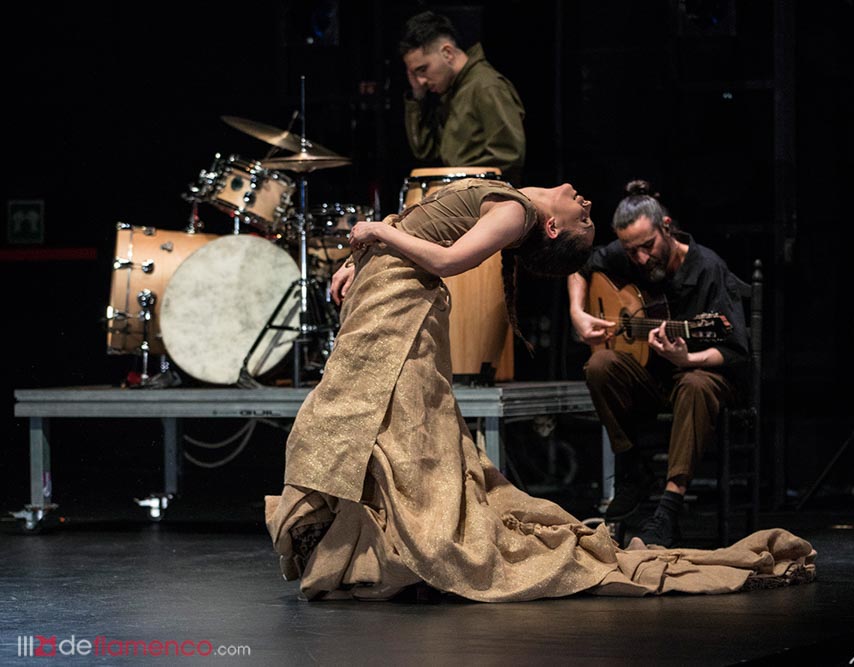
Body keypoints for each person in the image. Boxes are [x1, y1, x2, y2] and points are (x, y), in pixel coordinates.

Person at [263, 177, 816, 602]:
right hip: (382, 293)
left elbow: (449, 260)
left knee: (383, 433)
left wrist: (376, 234)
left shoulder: (517, 213)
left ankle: (393, 552)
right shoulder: (514, 199)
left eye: (583, 218)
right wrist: (361, 260)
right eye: (590, 216)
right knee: (376, 430)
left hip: (401, 311)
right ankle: (368, 552)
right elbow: (424, 222)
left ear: (551, 228)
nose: (588, 203)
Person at [567, 179, 750, 548]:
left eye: (647, 247)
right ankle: (632, 469)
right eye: (630, 250)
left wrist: (688, 357)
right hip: (652, 380)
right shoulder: (629, 252)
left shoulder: (707, 268)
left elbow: (734, 351)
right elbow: (578, 265)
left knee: (695, 384)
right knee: (600, 364)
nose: (640, 259)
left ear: (667, 227)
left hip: (703, 376)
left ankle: (668, 507)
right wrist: (577, 313)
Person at [399, 10, 526, 184]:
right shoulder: (454, 90)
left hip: (485, 196)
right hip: (467, 193)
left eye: (423, 69)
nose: (420, 81)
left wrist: (457, 183)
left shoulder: (486, 86)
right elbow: (425, 152)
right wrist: (417, 97)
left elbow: (508, 155)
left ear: (447, 53)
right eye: (414, 74)